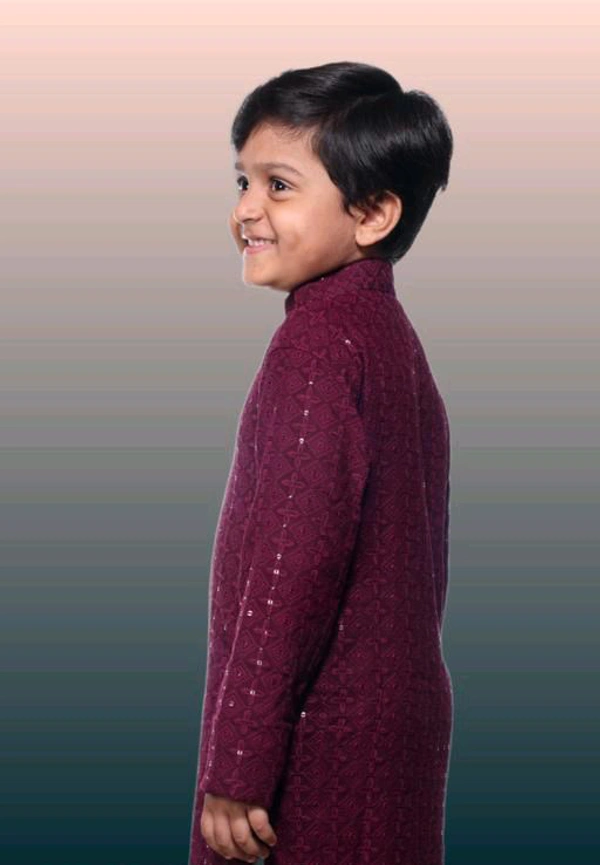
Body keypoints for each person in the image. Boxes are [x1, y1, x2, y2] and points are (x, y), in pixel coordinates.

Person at [188, 60, 455, 865]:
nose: (246, 209)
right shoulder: (393, 343)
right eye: (243, 181)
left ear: (372, 213)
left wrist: (238, 763)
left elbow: (289, 567)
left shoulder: (315, 346)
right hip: (396, 730)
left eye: (279, 186)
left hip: (320, 745)